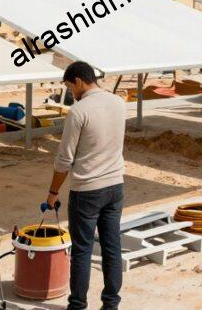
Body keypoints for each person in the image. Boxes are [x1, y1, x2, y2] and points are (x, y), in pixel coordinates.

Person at [46, 61, 126, 310]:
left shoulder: (79, 111)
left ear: (79, 81)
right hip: (115, 186)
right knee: (112, 247)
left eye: (70, 88)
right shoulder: (119, 103)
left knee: (82, 250)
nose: (71, 93)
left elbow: (64, 160)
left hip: (88, 190)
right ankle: (111, 304)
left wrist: (52, 192)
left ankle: (78, 305)